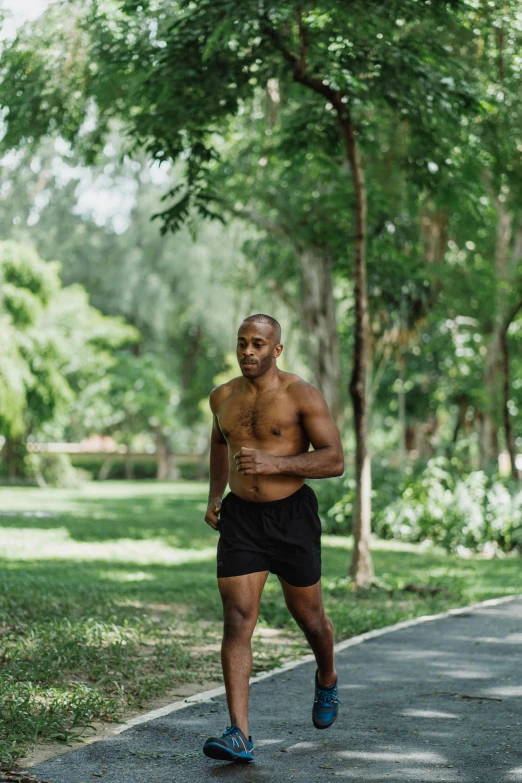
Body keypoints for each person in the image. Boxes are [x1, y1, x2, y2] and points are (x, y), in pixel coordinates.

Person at [202, 313, 344, 763]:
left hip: (292, 518)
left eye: (258, 344)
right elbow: (220, 443)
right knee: (238, 619)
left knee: (311, 619)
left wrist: (275, 464)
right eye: (242, 343)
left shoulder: (301, 395)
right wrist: (215, 494)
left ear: (276, 349)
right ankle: (239, 733)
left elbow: (334, 460)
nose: (248, 351)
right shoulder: (221, 396)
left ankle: (326, 676)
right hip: (242, 520)